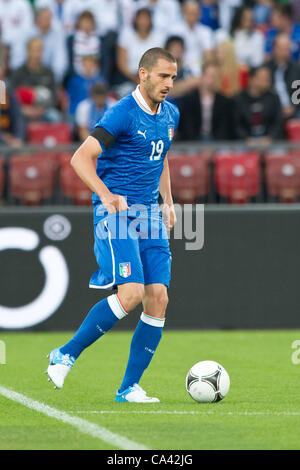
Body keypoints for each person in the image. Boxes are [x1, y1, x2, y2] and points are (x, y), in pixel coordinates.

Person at [46, 47, 180, 403]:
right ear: (143, 75)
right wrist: (106, 195)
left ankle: (128, 388)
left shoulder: (171, 114)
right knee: (132, 293)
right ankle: (65, 354)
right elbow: (80, 158)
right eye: (163, 76)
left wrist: (168, 201)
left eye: (173, 77)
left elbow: (161, 155)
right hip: (117, 215)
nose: (169, 84)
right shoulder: (121, 113)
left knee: (158, 298)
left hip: (150, 214)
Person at [178, 61, 234, 141]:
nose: (213, 80)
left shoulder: (224, 101)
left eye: (216, 77)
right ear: (202, 76)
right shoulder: (189, 100)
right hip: (194, 141)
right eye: (211, 76)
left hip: (217, 142)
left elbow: (224, 129)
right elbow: (187, 127)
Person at [10, 37, 61, 122]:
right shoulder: (18, 72)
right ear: (27, 51)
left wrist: (41, 109)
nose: (36, 54)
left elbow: (54, 97)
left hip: (44, 110)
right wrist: (25, 109)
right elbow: (12, 95)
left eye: (38, 50)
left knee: (55, 116)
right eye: (33, 50)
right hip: (24, 110)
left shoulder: (48, 72)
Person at [233, 65, 284, 144]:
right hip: (244, 143)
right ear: (251, 79)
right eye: (264, 78)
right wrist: (247, 139)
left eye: (268, 78)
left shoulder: (273, 98)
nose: (268, 81)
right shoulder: (239, 99)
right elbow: (236, 125)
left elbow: (278, 123)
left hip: (270, 143)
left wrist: (269, 138)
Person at [168, 0, 215, 77]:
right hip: (178, 69)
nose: (192, 16)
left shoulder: (206, 31)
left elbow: (209, 56)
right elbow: (171, 54)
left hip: (200, 70)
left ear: (200, 14)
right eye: (190, 13)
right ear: (184, 13)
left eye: (195, 13)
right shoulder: (174, 30)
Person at [264, 33, 300, 120]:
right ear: (274, 49)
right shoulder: (265, 69)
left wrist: (293, 107)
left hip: (293, 109)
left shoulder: (296, 69)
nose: (285, 51)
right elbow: (264, 92)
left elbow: (298, 90)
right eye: (282, 48)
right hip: (271, 110)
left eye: (287, 48)